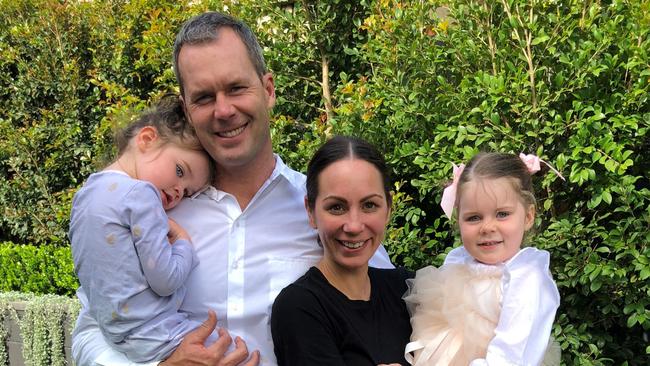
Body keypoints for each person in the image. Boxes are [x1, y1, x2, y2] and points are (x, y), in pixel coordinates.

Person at [71, 11, 393, 366]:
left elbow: (388, 312)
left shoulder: (326, 211)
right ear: (186, 109)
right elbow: (91, 332)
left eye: (236, 88)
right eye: (204, 97)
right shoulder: (155, 209)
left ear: (268, 90)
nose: (224, 110)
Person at [69, 96, 215, 362]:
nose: (177, 192)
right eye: (180, 171)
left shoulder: (84, 195)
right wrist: (184, 245)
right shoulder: (141, 194)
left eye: (187, 192)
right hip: (159, 334)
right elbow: (165, 279)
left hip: (117, 336)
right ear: (147, 139)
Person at [403, 152, 562, 366]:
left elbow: (512, 355)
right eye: (474, 217)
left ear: (528, 216)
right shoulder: (457, 261)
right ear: (458, 219)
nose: (487, 227)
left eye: (502, 214)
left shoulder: (526, 278)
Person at [271, 136, 413, 366]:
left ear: (388, 208)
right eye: (336, 207)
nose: (354, 226)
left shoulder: (409, 290)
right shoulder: (299, 308)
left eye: (369, 205)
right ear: (311, 211)